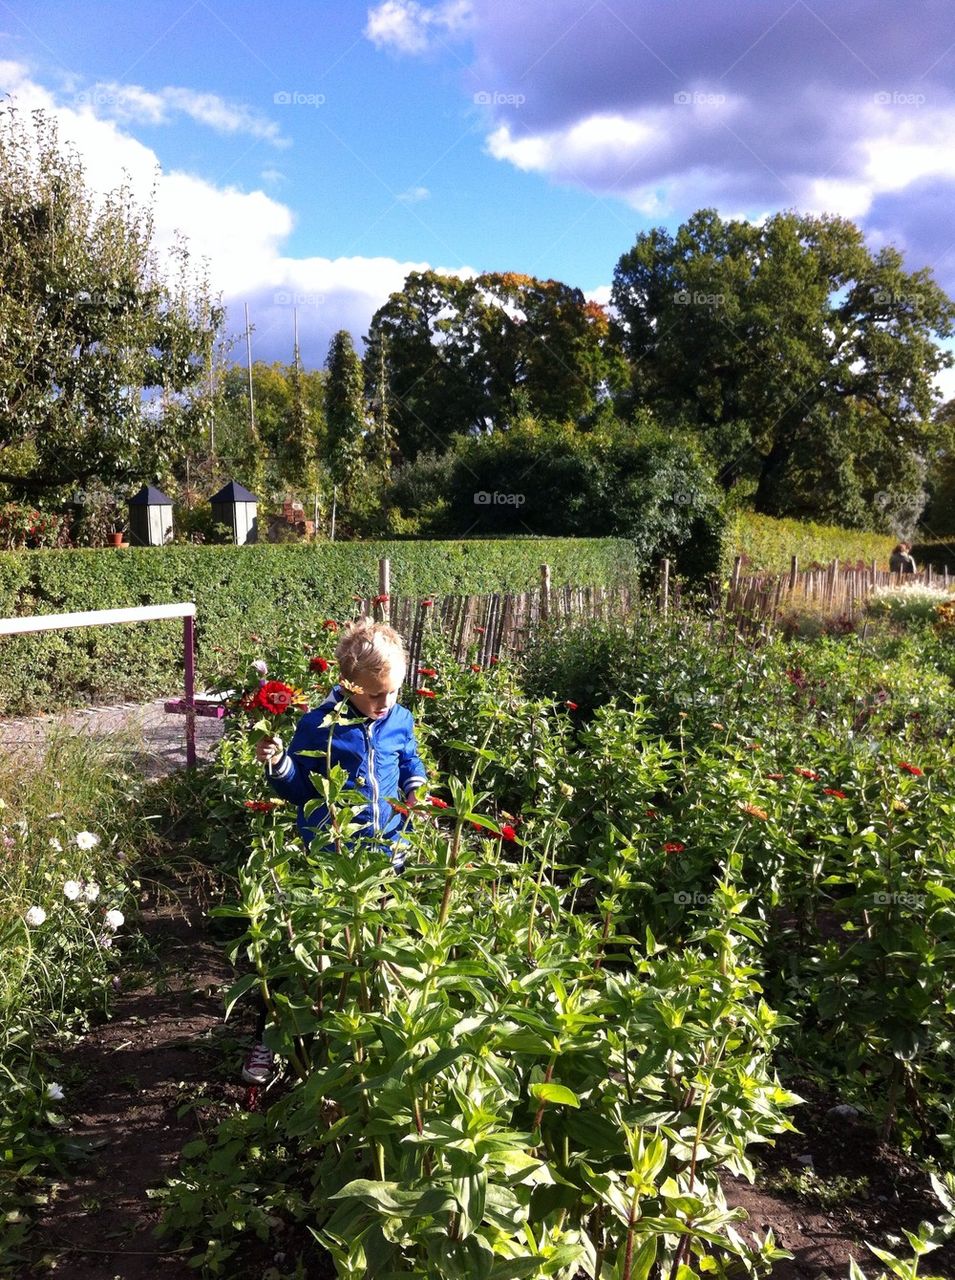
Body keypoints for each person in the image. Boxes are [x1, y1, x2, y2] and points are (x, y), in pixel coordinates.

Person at [242, 617, 427, 1085]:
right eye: (374, 695)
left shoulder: (398, 719)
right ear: (347, 684)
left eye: (391, 693)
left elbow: (410, 759)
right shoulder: (318, 726)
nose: (384, 704)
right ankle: (272, 1038)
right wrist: (280, 762)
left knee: (383, 945)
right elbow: (299, 790)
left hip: (387, 855)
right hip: (331, 857)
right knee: (309, 952)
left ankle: (375, 1031)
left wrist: (415, 790)